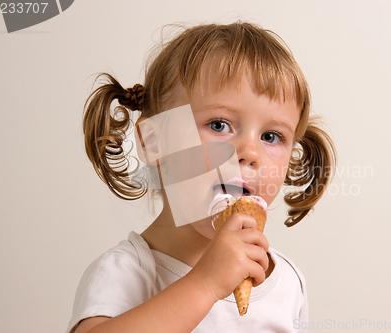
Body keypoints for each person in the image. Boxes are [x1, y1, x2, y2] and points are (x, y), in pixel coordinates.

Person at [67, 21, 337, 333]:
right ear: (153, 142)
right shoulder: (126, 272)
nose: (250, 151)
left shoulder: (287, 282)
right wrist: (205, 284)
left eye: (272, 136)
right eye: (219, 125)